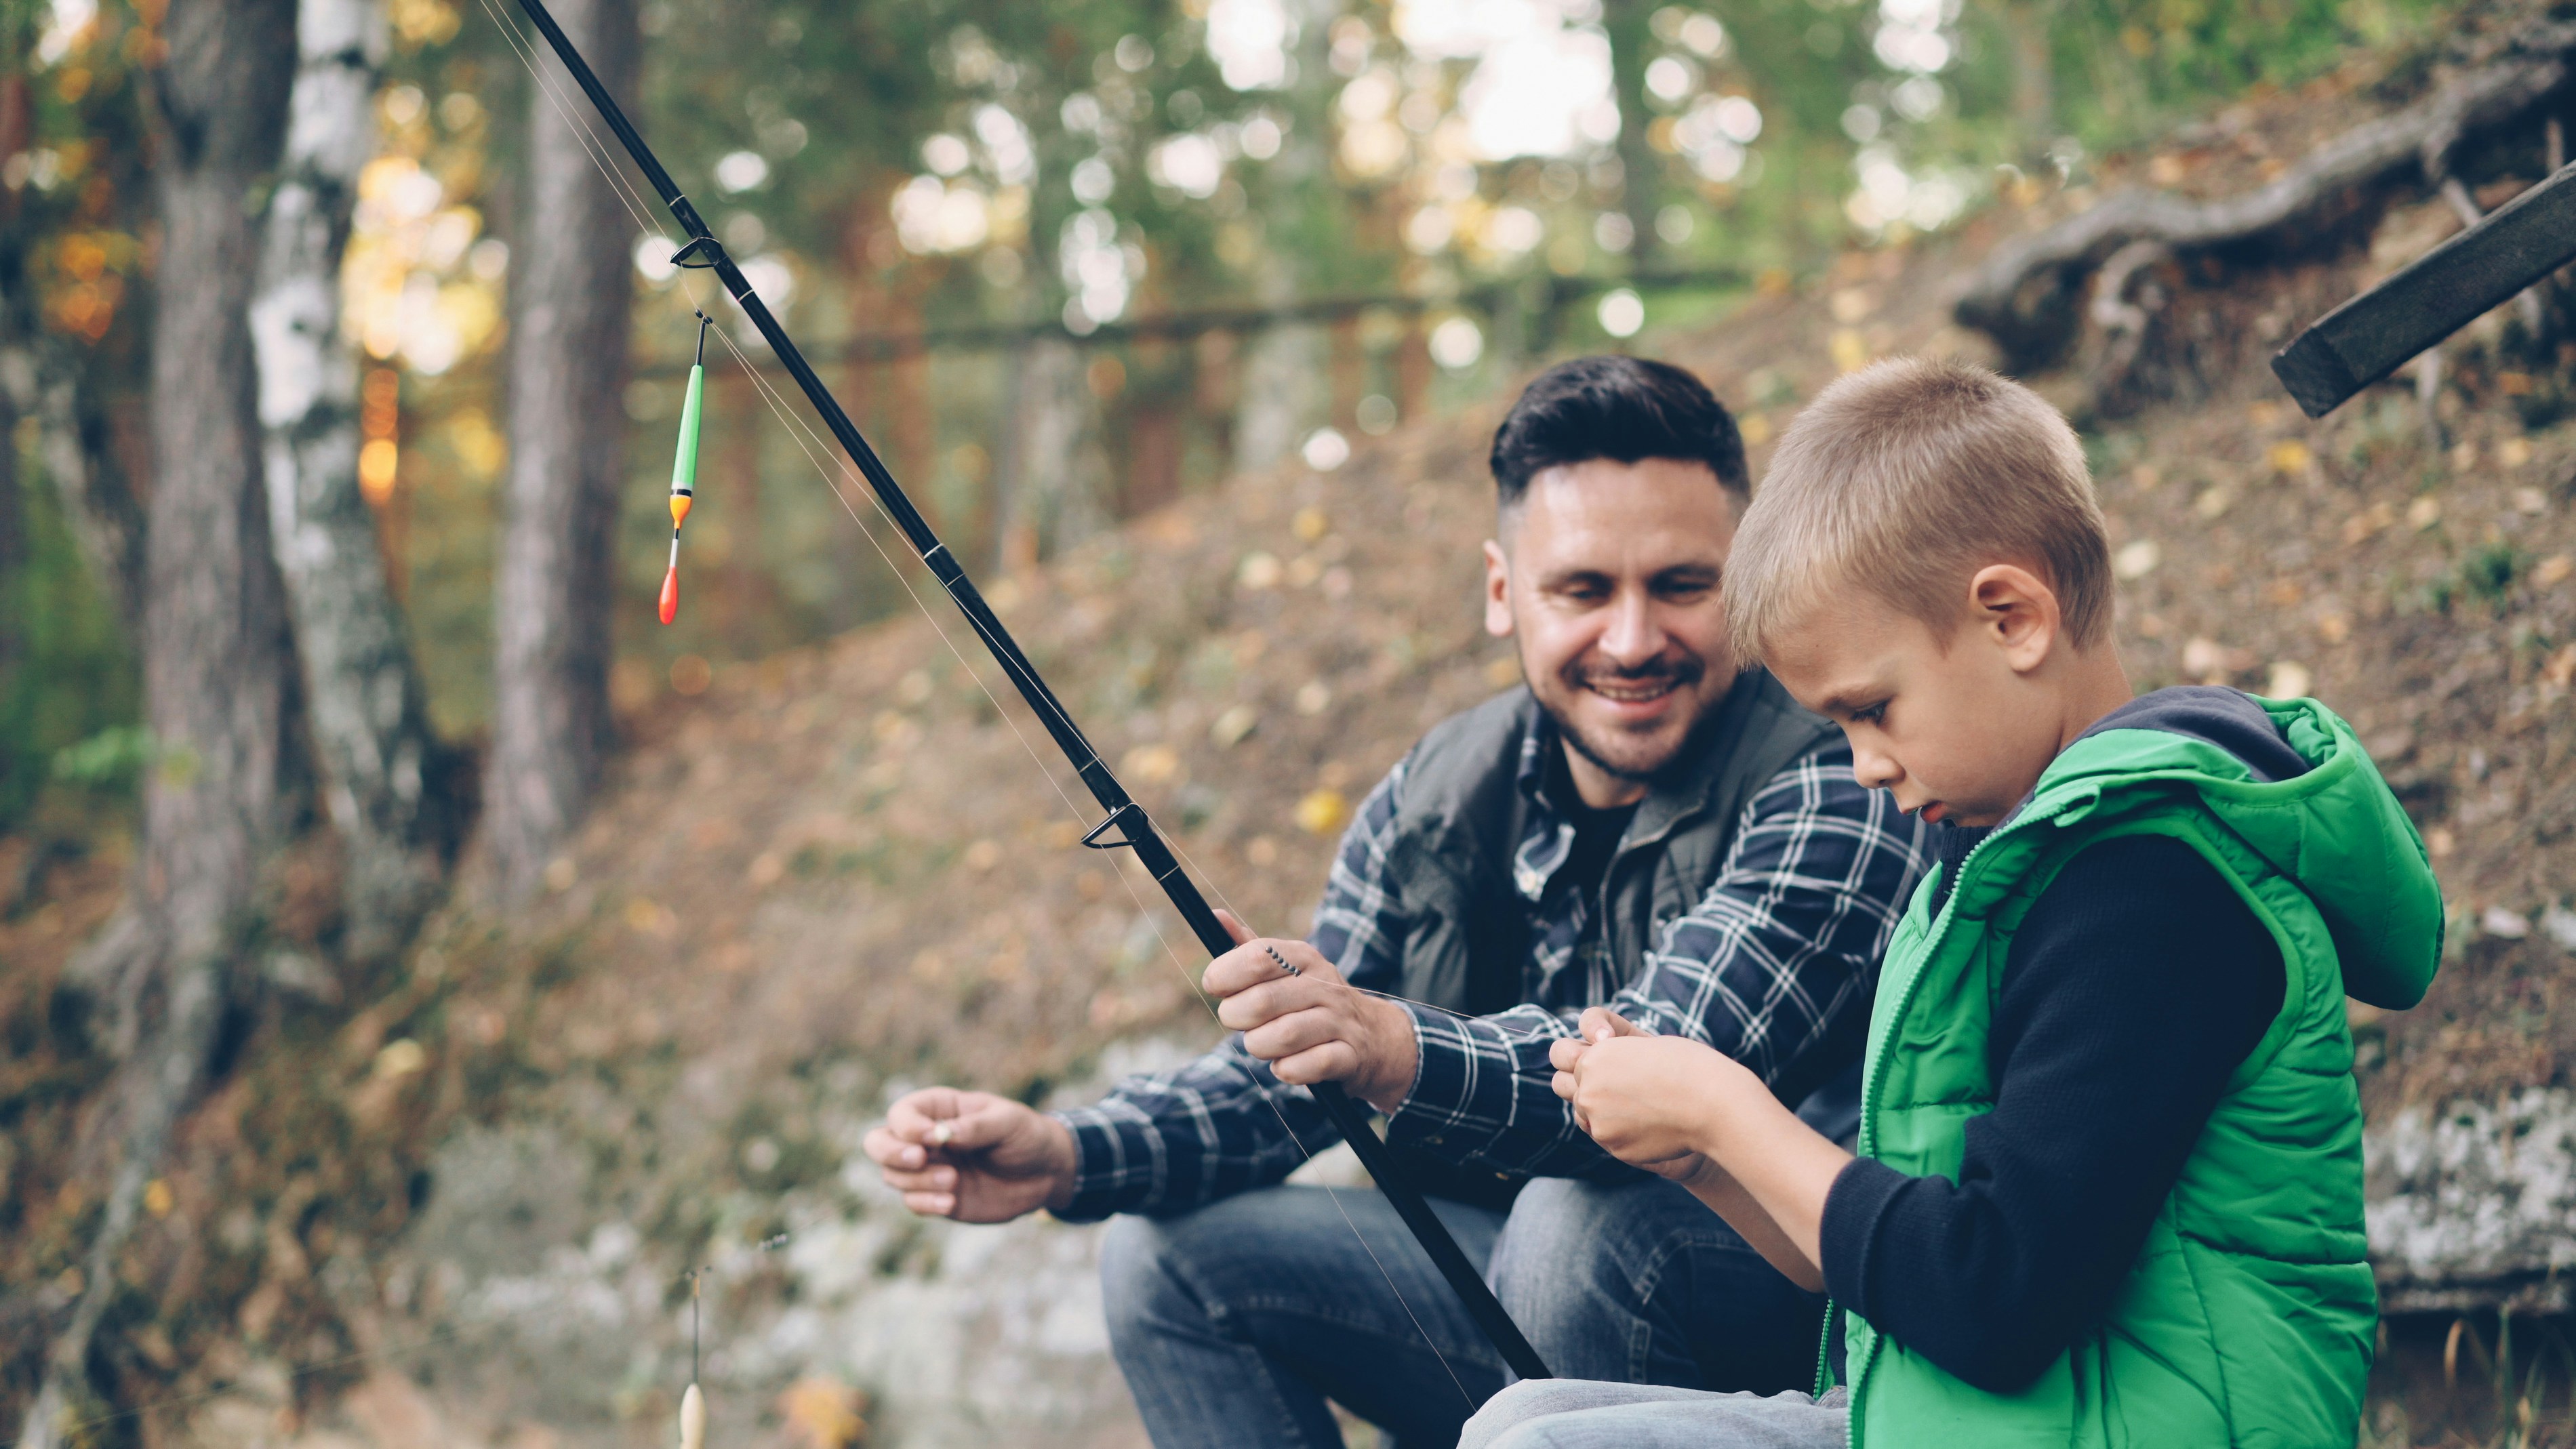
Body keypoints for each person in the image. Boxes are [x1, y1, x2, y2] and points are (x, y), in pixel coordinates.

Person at [864, 355, 1931, 1449]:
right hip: (1523, 1292)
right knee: (1167, 1260)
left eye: (1680, 584)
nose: (1630, 638)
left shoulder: (1839, 771)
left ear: (1743, 581)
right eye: (1580, 589)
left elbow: (1656, 1070)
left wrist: (1388, 1042)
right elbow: (1305, 1068)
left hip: (1805, 1325)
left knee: (1575, 1223)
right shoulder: (1436, 793)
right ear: (1502, 589)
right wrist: (1068, 1151)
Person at [1464, 356, 2443, 1449]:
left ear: (2013, 618)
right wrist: (1703, 1156)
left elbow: (1993, 1296)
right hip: (2007, 1414)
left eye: (1872, 709)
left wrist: (1725, 1109)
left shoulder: (2156, 886)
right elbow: (1907, 1269)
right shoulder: (2004, 870)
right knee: (1528, 1415)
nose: (1864, 764)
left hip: (2129, 1426)